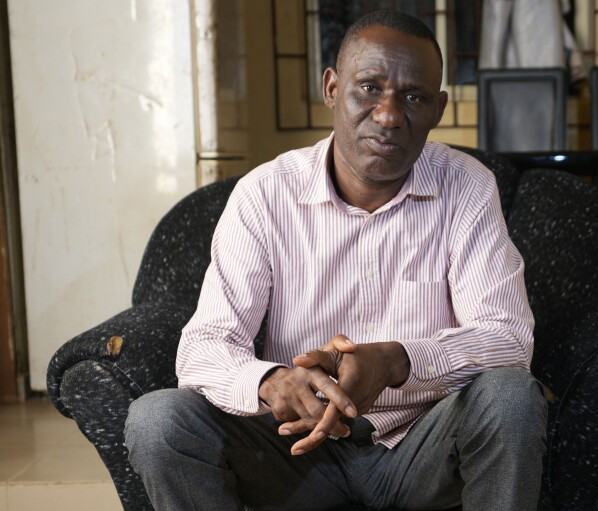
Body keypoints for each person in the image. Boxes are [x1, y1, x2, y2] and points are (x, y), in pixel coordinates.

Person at [124, 10, 547, 511]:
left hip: (421, 448)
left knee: (512, 397)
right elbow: (202, 349)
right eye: (369, 88)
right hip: (297, 454)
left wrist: (396, 361)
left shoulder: (468, 187)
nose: (389, 115)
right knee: (158, 421)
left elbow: (508, 339)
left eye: (413, 97)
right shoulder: (265, 194)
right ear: (331, 88)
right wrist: (271, 382)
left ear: (438, 109)